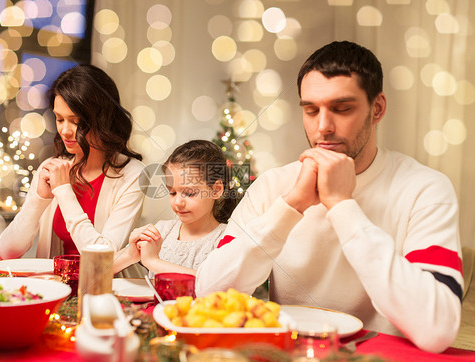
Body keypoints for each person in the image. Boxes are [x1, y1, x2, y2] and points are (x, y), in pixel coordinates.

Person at [196, 41, 463, 353]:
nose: (322, 126)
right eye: (311, 110)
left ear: (377, 109)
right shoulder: (274, 185)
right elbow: (208, 293)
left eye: (342, 108)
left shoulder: (425, 188)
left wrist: (342, 206)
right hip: (289, 355)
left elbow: (437, 330)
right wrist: (291, 206)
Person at [0, 64, 145, 259]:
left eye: (76, 122)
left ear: (103, 119)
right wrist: (39, 199)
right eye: (59, 119)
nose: (65, 131)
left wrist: (63, 190)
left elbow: (102, 256)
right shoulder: (51, 168)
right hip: (53, 288)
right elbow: (7, 251)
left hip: (102, 287)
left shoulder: (133, 174)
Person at [113, 140, 238, 276]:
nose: (178, 202)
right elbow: (97, 271)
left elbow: (214, 284)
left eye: (189, 193)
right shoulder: (161, 232)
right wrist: (130, 254)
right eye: (172, 192)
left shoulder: (226, 239)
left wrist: (153, 262)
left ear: (216, 190)